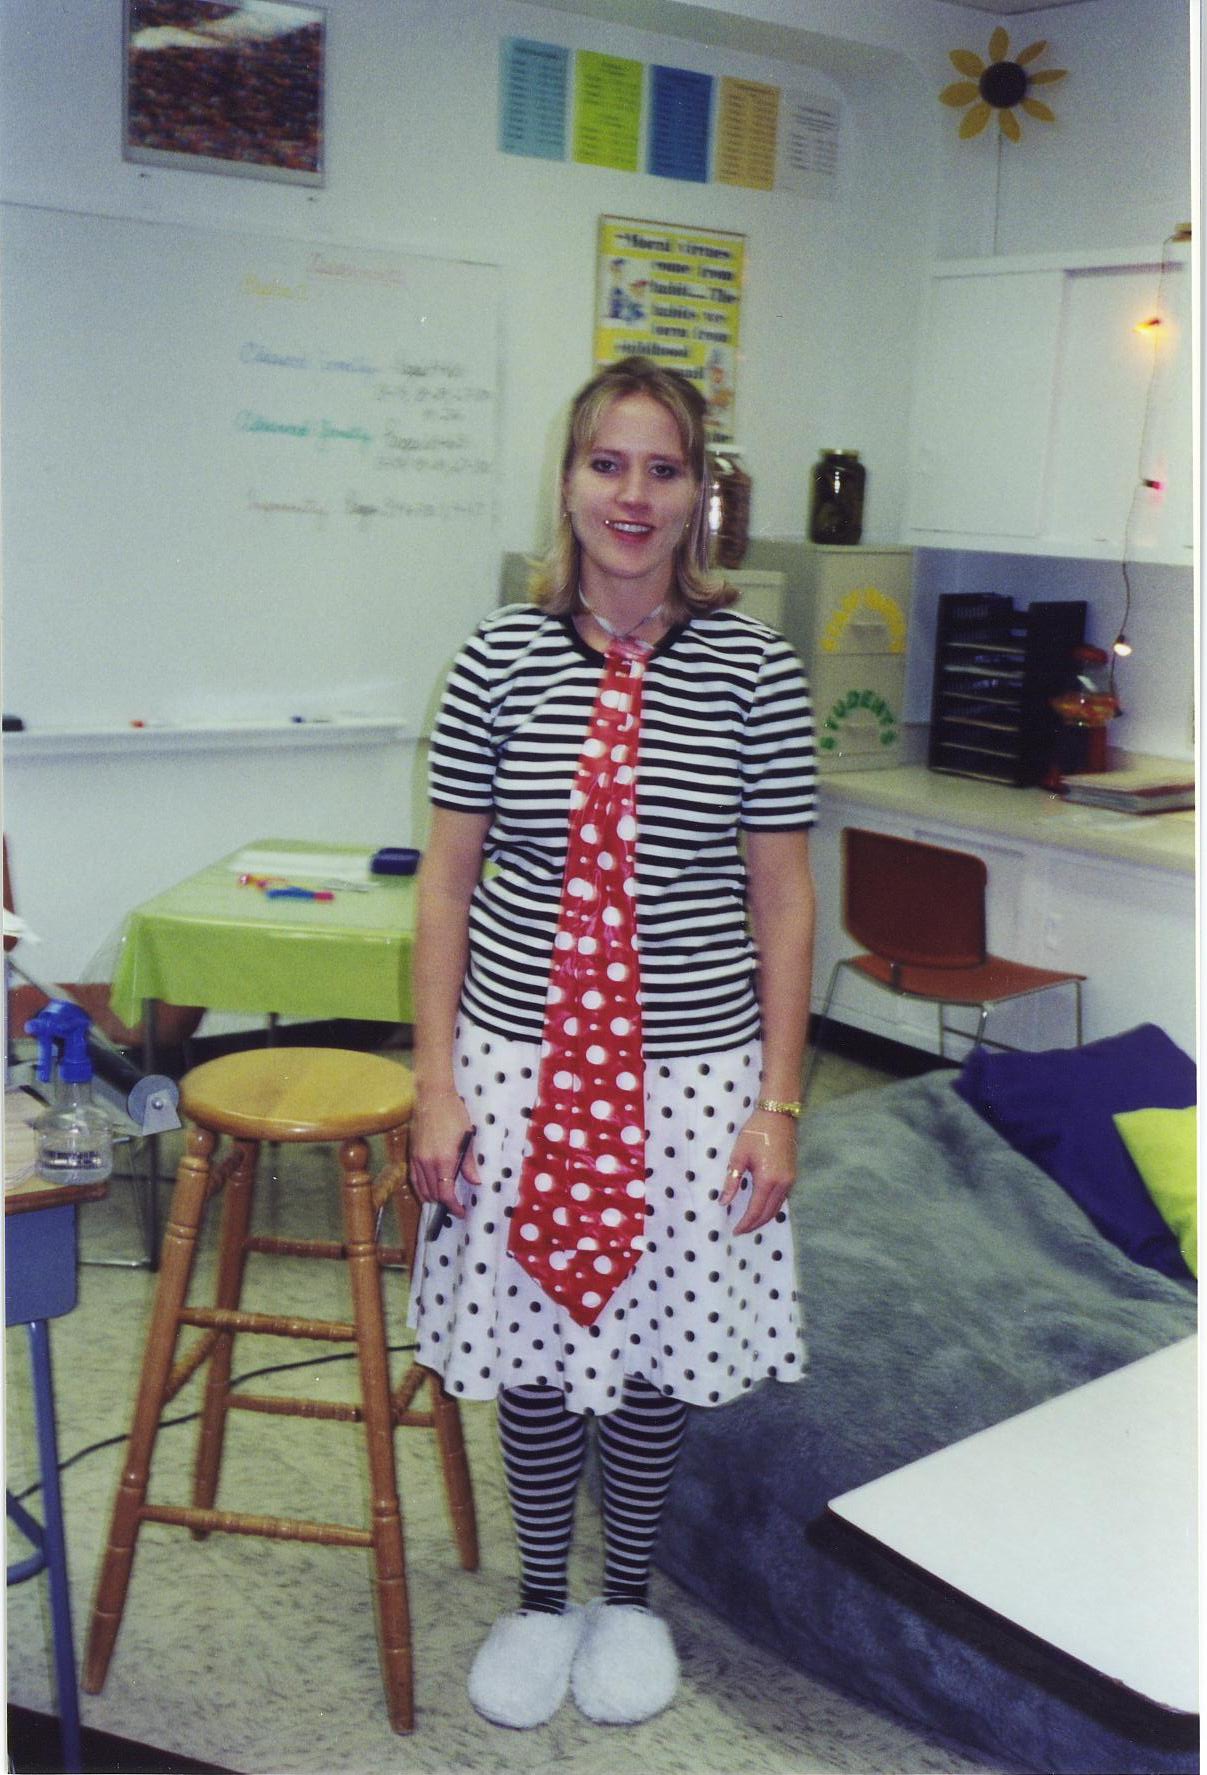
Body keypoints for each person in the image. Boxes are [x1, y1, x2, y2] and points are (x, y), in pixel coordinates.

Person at [408, 355, 817, 1730]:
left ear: (700, 495)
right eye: (607, 464)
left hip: (693, 1075)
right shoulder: (495, 659)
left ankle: (627, 1596)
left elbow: (782, 897)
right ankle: (542, 1600)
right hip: (519, 1064)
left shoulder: (755, 670)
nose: (632, 496)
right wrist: (434, 1085)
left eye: (663, 468)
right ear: (568, 481)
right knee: (533, 1333)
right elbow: (448, 882)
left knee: (654, 1339)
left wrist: (780, 1103)